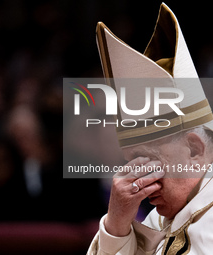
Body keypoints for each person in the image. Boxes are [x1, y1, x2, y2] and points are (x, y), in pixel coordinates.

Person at [87, 3, 213, 254]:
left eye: (147, 159)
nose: (139, 177)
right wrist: (116, 224)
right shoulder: (159, 219)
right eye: (133, 161)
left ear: (194, 148)